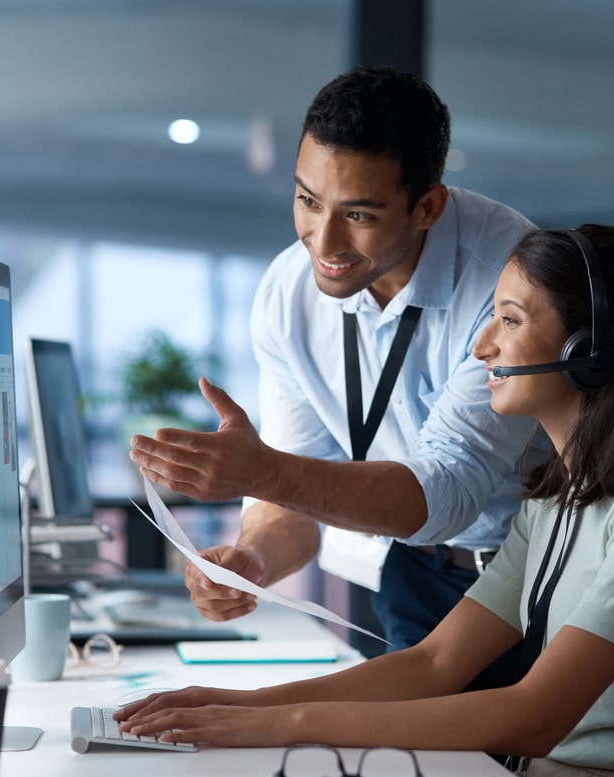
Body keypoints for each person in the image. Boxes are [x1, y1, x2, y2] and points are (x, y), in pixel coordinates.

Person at [115, 225, 614, 777]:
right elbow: (436, 662)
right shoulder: (558, 493)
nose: (482, 347)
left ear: (592, 351)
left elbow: (537, 714)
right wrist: (238, 706)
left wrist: (280, 726)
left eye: (508, 319)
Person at [128, 65, 545, 677]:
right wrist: (252, 558)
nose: (322, 242)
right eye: (307, 200)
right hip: (410, 565)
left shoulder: (509, 279)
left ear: (427, 206)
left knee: (500, 770)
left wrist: (263, 470)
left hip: (528, 579)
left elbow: (450, 493)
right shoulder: (286, 293)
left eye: (359, 215)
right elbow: (293, 499)